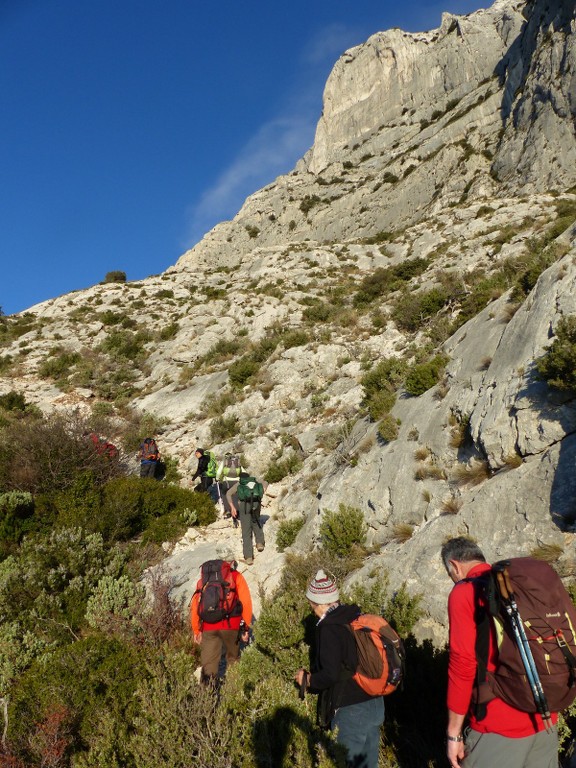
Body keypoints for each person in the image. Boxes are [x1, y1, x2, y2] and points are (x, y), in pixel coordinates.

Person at [441, 537, 558, 768]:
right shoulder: (517, 585)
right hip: (545, 717)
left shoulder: (465, 593)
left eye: (450, 575)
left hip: (498, 725)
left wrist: (454, 733)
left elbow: (462, 664)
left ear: (455, 566)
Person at [294, 570, 385, 768]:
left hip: (351, 710)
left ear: (317, 602)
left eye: (311, 603)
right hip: (375, 704)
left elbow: (330, 674)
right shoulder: (353, 616)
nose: (310, 608)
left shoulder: (329, 628)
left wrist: (308, 680)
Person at [190, 558, 252, 685]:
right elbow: (246, 603)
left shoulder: (203, 581)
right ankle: (235, 692)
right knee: (233, 659)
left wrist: (196, 630)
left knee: (209, 665)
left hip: (208, 627)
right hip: (231, 626)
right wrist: (245, 627)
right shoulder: (235, 576)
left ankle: (208, 697)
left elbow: (195, 606)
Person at [226, 472, 266, 565]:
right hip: (256, 503)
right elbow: (265, 482)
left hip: (244, 506)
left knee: (246, 530)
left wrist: (232, 507)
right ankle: (260, 543)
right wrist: (262, 491)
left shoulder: (239, 484)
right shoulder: (255, 481)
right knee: (256, 522)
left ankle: (248, 557)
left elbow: (228, 494)